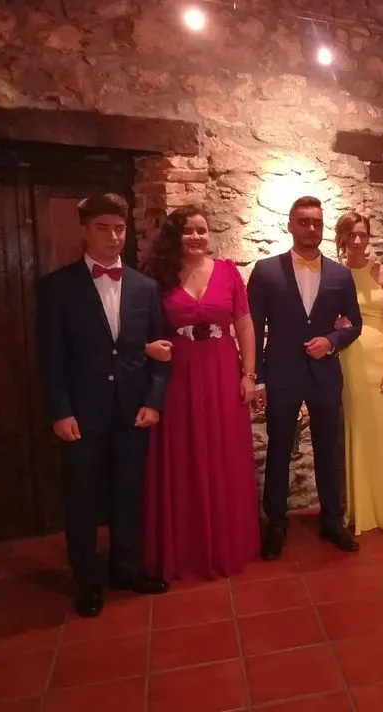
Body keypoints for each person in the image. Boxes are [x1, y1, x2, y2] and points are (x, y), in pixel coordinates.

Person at [37, 193, 170, 618]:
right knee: (81, 498)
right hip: (81, 413)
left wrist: (153, 402)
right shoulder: (58, 287)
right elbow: (51, 356)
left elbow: (160, 352)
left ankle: (125, 570)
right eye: (102, 228)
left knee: (127, 494)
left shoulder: (145, 287)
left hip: (132, 410)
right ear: (84, 230)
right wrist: (60, 411)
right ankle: (87, 580)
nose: (113, 237)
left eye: (119, 228)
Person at [140, 206, 260, 580]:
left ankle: (225, 544)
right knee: (183, 455)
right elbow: (140, 327)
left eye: (202, 230)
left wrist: (249, 375)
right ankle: (186, 548)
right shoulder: (157, 276)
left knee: (224, 454)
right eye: (188, 230)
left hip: (222, 372)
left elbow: (244, 324)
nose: (196, 237)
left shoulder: (227, 272)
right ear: (175, 236)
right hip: (178, 376)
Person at [247, 196, 363, 556]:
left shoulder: (340, 275)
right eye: (304, 222)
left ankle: (332, 521)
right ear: (290, 225)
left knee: (328, 448)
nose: (311, 228)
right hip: (281, 373)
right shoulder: (266, 271)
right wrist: (258, 378)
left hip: (324, 373)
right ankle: (276, 523)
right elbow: (253, 328)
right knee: (280, 447)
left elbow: (354, 324)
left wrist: (331, 341)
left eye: (317, 222)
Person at [334, 211, 383, 534]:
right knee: (360, 431)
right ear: (342, 238)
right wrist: (335, 324)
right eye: (351, 234)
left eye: (362, 234)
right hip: (352, 358)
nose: (357, 240)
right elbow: (326, 316)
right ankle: (362, 510)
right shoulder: (335, 275)